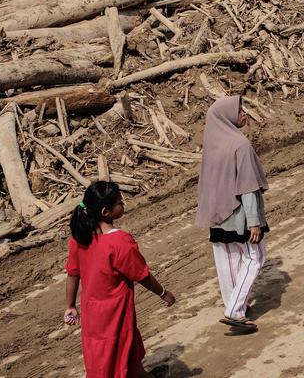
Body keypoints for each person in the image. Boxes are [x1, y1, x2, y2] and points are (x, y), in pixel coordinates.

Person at [63, 181, 175, 378]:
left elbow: (73, 273)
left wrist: (70, 305)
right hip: (115, 312)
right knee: (117, 351)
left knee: (105, 351)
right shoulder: (120, 242)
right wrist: (163, 293)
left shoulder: (80, 237)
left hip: (92, 311)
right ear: (106, 211)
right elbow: (142, 276)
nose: (123, 204)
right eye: (119, 202)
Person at [195, 95, 269, 333]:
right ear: (227, 117)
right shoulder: (241, 145)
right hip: (240, 217)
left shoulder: (213, 144)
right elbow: (247, 188)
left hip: (217, 216)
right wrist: (255, 222)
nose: (245, 113)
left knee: (228, 263)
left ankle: (236, 308)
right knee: (254, 259)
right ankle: (234, 310)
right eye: (240, 110)